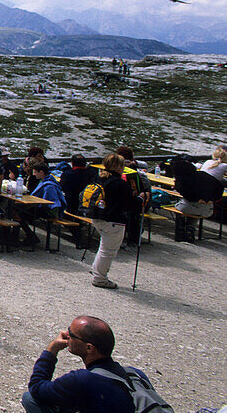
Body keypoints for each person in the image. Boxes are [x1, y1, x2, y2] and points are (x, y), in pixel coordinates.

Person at [23, 316, 163, 413]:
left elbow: (36, 387)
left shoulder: (83, 380)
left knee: (30, 399)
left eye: (71, 334)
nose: (66, 334)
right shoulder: (135, 374)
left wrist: (52, 349)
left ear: (89, 348)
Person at [88, 154, 132, 289]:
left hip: (97, 216)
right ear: (120, 167)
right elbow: (129, 203)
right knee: (108, 250)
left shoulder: (99, 178)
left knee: (103, 247)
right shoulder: (120, 184)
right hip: (113, 220)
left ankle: (97, 269)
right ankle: (100, 278)